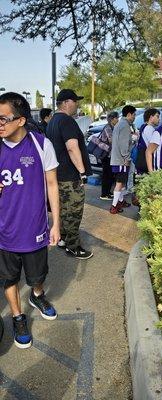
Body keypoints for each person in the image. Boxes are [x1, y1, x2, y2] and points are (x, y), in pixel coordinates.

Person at [0, 92, 60, 349]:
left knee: (37, 275)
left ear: (21, 120)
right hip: (4, 232)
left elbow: (52, 184)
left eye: (3, 119)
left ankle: (37, 295)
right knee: (9, 279)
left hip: (35, 228)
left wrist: (56, 223)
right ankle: (17, 316)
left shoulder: (41, 144)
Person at [47, 89, 93, 259]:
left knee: (64, 210)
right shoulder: (67, 121)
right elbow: (72, 147)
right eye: (75, 101)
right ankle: (73, 247)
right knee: (73, 211)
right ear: (66, 102)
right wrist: (82, 172)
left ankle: (64, 239)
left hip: (57, 176)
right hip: (70, 177)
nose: (77, 104)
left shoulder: (52, 121)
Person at [110, 105, 136, 214]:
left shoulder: (119, 124)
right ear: (129, 114)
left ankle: (120, 201)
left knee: (120, 182)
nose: (134, 117)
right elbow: (124, 144)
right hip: (121, 160)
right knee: (120, 183)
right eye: (134, 115)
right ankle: (114, 206)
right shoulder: (125, 126)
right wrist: (127, 157)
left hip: (116, 158)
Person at [100, 111, 119, 200]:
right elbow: (112, 140)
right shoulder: (108, 127)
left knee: (110, 174)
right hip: (106, 155)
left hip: (110, 155)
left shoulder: (113, 127)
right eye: (116, 118)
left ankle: (108, 192)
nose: (117, 120)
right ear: (112, 119)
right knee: (106, 174)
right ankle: (104, 194)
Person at [135, 108, 160, 174]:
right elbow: (154, 147)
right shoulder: (149, 128)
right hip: (145, 162)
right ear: (151, 117)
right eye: (157, 116)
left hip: (141, 160)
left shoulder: (143, 127)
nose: (159, 119)